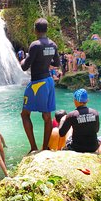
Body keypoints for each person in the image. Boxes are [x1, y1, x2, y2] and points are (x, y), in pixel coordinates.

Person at [20, 17, 60, 152]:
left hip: (37, 83)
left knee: (25, 114)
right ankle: (45, 148)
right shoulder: (53, 44)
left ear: (35, 30)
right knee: (47, 116)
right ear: (47, 29)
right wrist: (46, 61)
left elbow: (25, 67)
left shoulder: (35, 45)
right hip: (49, 82)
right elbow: (57, 63)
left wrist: (22, 60)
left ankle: (33, 147)